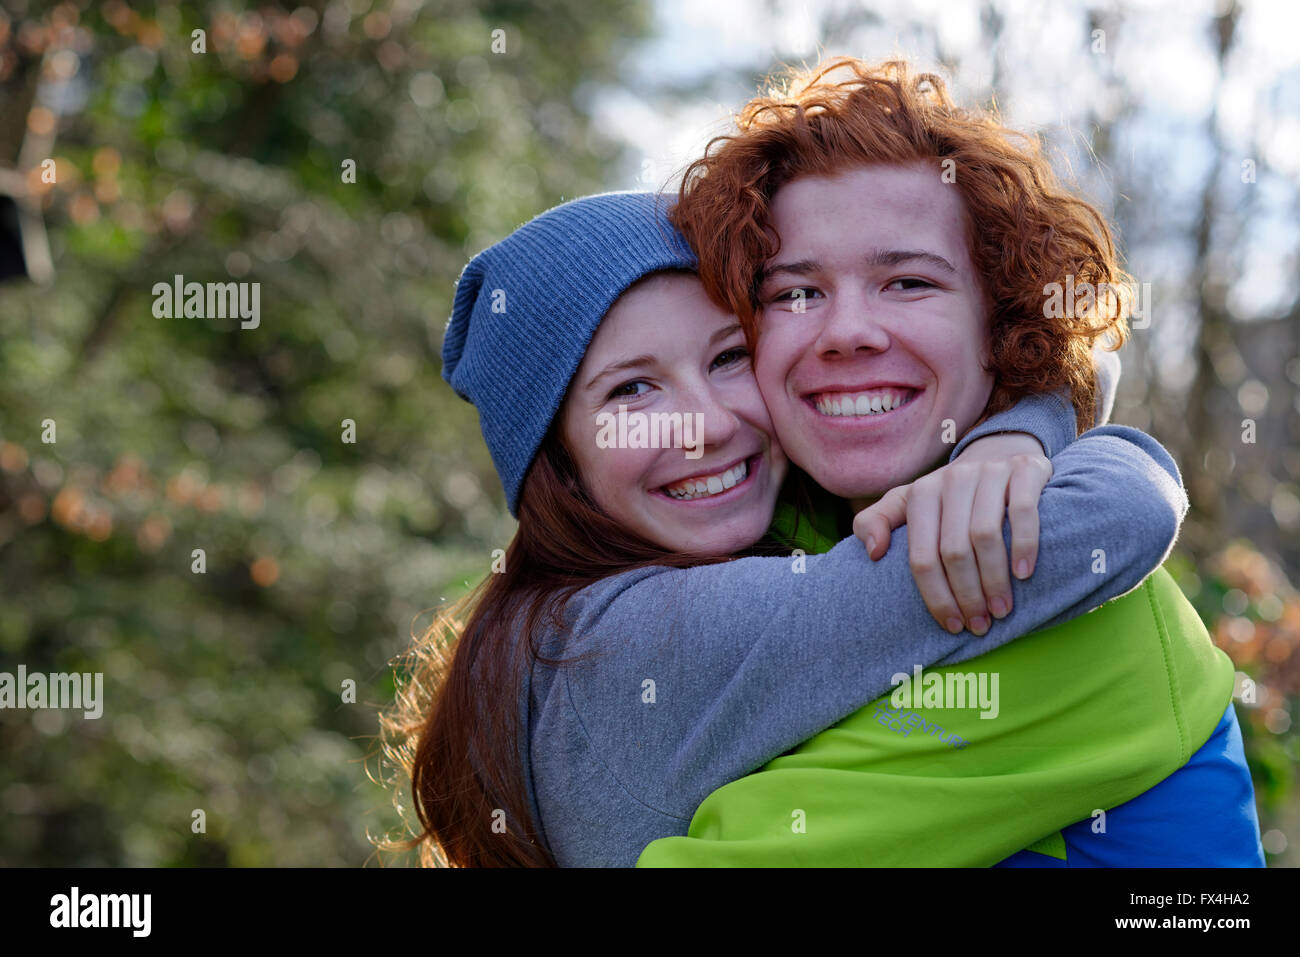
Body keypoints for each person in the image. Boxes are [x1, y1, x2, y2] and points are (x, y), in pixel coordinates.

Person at [381, 190, 1236, 868]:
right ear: (555, 463)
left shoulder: (554, 622)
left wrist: (1017, 429)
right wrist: (1030, 429)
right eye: (631, 392)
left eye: (726, 358)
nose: (704, 425)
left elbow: (1092, 363)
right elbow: (1114, 519)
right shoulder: (621, 643)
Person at [640, 55, 1262, 867]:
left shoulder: (1063, 584)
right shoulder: (766, 525)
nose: (845, 330)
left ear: (999, 324)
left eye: (906, 282)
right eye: (795, 293)